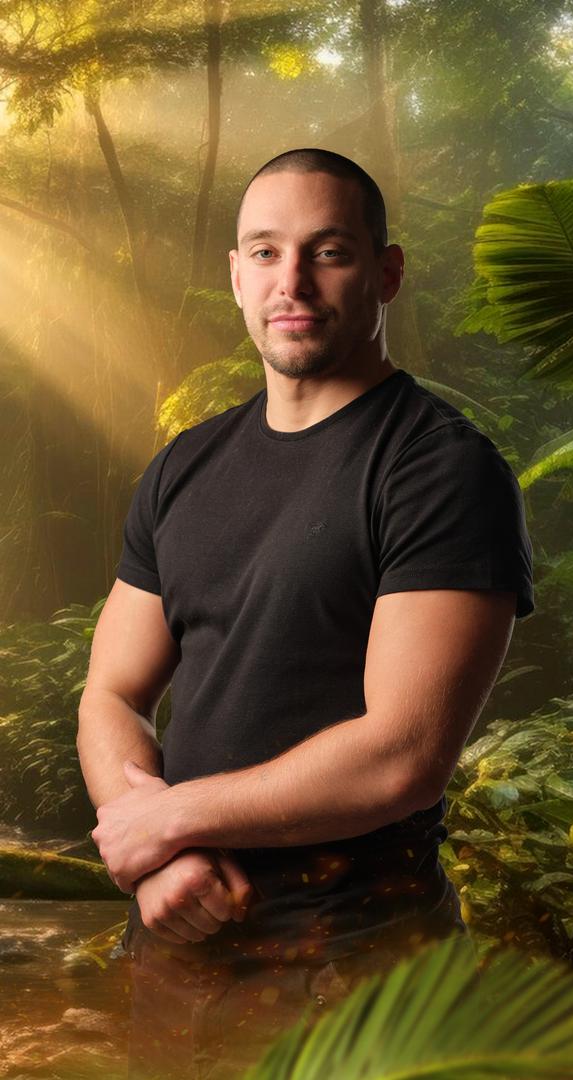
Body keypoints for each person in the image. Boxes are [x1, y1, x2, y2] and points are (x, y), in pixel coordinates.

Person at [76, 147, 534, 1079]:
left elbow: (403, 755)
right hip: (179, 963)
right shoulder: (183, 466)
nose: (291, 281)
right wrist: (157, 855)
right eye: (265, 251)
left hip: (355, 975)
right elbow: (111, 693)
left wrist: (166, 822)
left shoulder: (440, 471)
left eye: (327, 252)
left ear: (384, 272)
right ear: (235, 274)